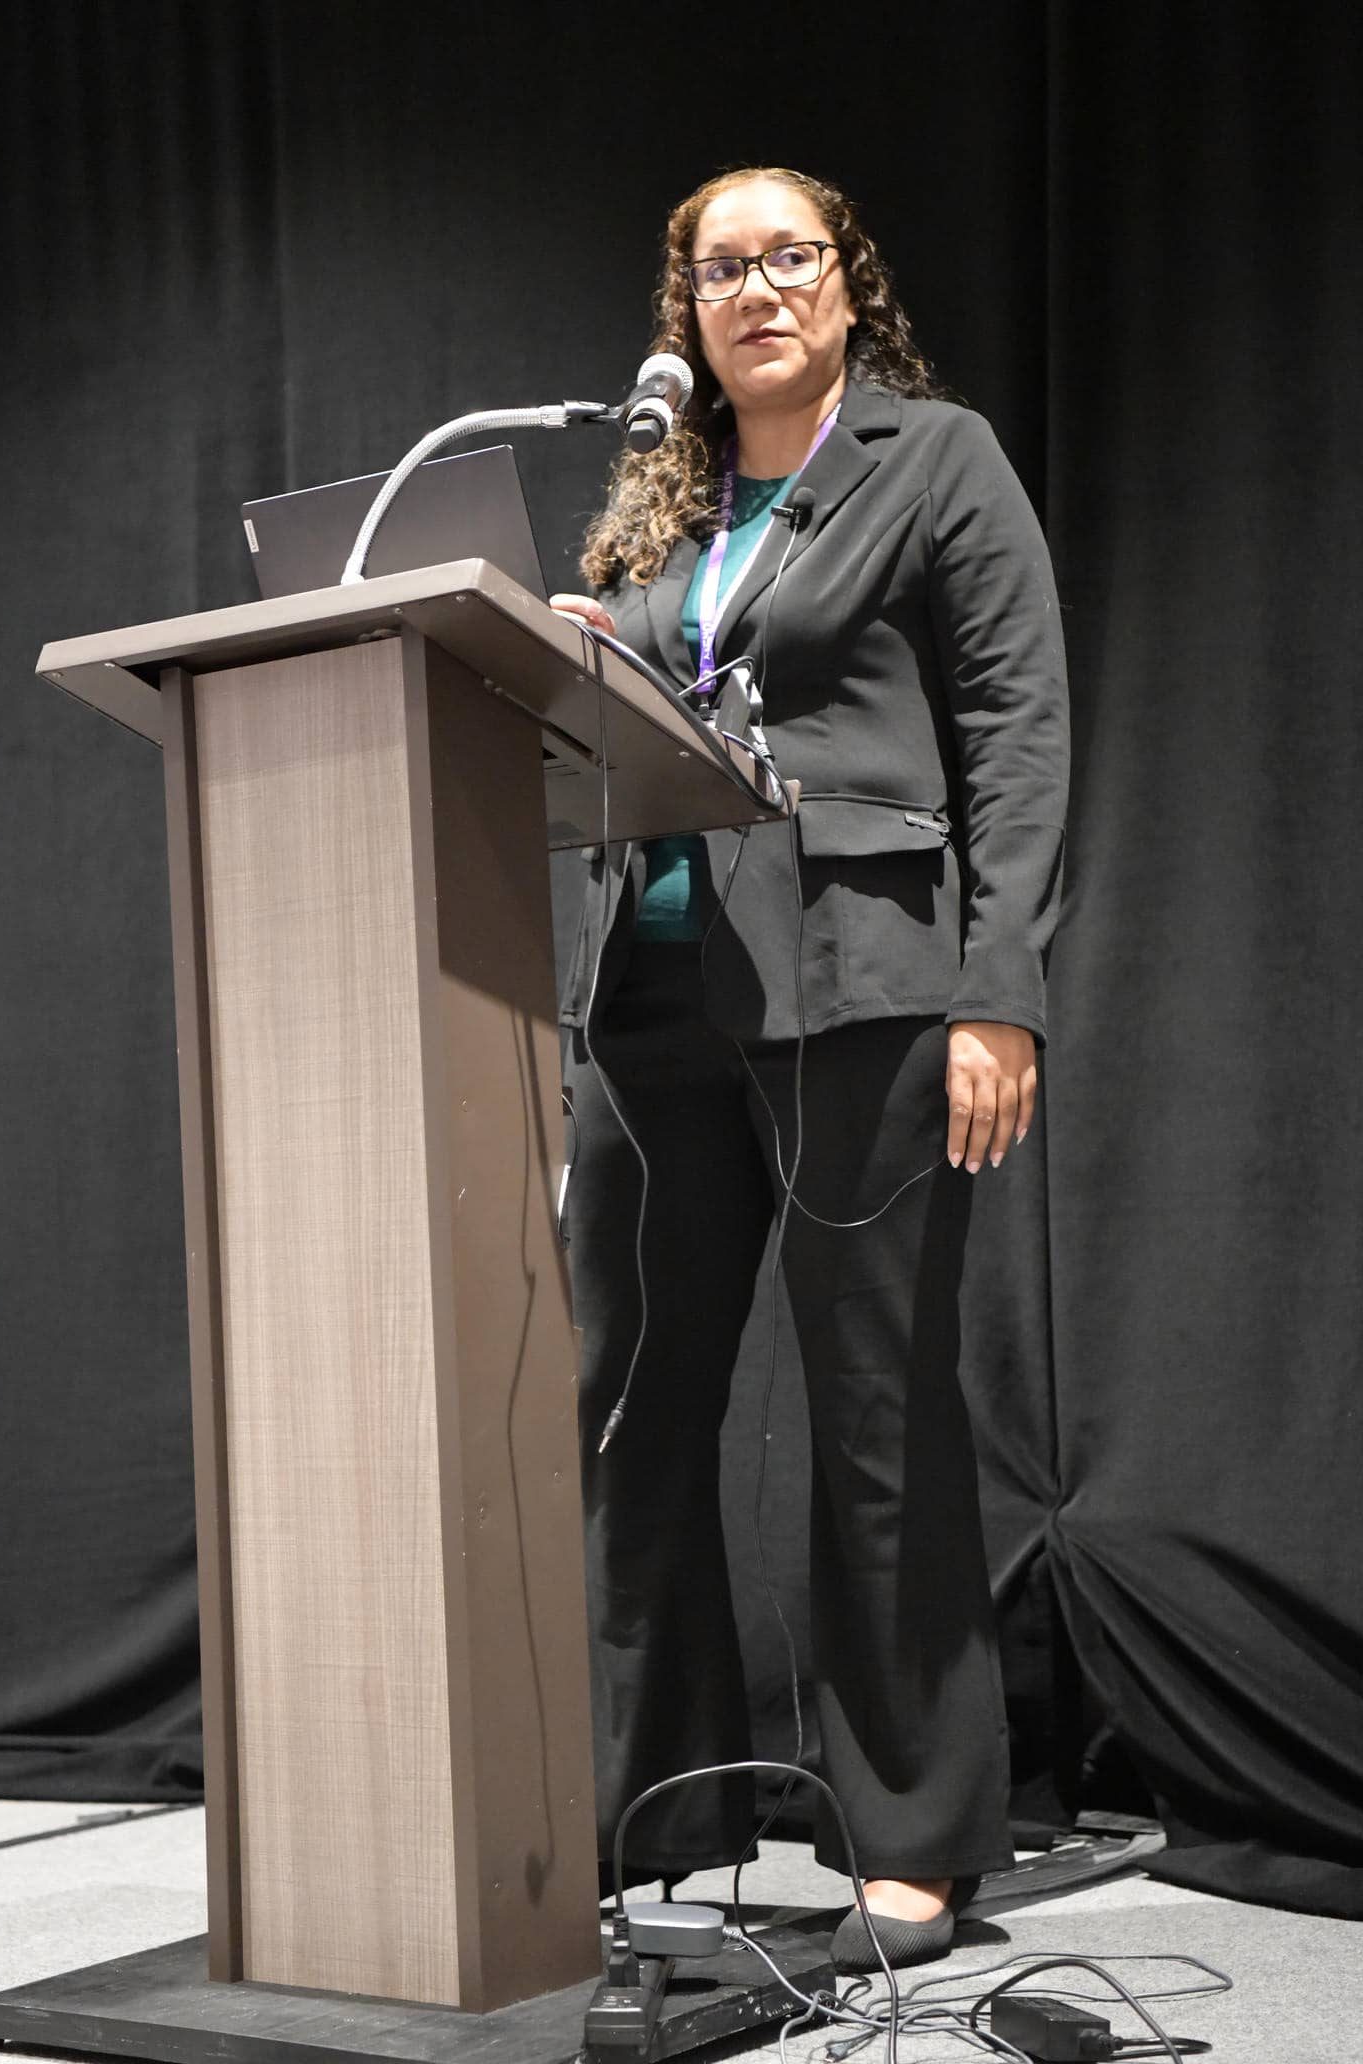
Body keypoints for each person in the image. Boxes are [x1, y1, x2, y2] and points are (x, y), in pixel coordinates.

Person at [549, 165, 1068, 1969]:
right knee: (627, 1403)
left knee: (877, 1412)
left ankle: (915, 1838)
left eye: (790, 257)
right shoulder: (658, 502)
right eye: (722, 268)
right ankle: (646, 1802)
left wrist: (1002, 995)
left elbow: (1017, 733)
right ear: (684, 310)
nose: (757, 289)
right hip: (648, 1002)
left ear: (848, 285)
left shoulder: (937, 461)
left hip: (864, 987)